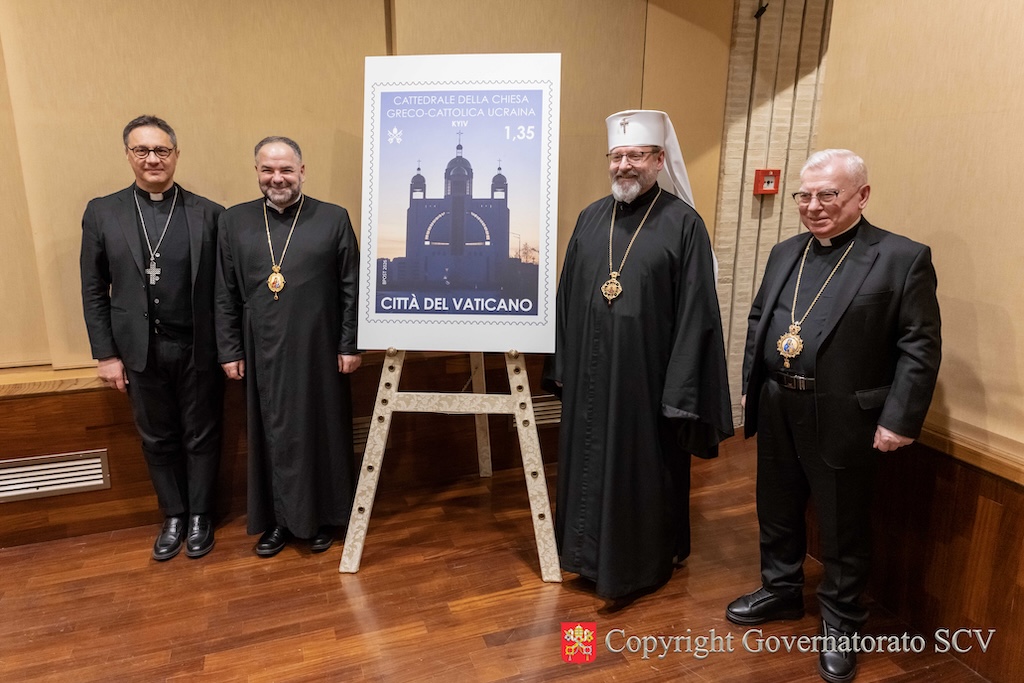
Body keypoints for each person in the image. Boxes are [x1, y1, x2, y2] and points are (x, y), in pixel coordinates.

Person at [726, 149, 941, 683]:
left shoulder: (900, 257)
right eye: (805, 195)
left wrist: (900, 419)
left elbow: (919, 345)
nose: (813, 206)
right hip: (779, 401)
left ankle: (842, 623)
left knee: (843, 526)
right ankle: (779, 591)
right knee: (775, 506)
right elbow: (760, 320)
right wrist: (753, 387)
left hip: (847, 415)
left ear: (861, 195)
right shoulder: (785, 253)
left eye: (828, 195)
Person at [544, 110, 733, 602]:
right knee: (585, 464)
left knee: (641, 470)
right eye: (617, 156)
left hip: (646, 384)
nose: (624, 165)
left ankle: (641, 564)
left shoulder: (683, 224)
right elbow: (567, 299)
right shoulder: (589, 218)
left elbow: (698, 313)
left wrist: (680, 391)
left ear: (658, 160)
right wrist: (563, 367)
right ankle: (584, 557)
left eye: (636, 156)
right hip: (588, 378)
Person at [80, 115, 224, 561]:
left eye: (161, 150)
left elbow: (223, 292)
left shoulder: (210, 214)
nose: (152, 159)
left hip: (197, 348)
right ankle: (174, 515)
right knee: (156, 438)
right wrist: (105, 354)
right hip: (137, 351)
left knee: (202, 435)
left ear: (176, 155)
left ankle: (201, 515)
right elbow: (92, 288)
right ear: (128, 155)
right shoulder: (103, 211)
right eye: (142, 150)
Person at [215, 136, 361, 557]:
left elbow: (351, 287)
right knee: (271, 434)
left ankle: (323, 518)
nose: (276, 178)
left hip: (320, 350)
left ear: (302, 171)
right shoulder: (234, 221)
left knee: (322, 431)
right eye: (267, 169)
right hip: (260, 350)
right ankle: (278, 521)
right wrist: (229, 350)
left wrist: (349, 344)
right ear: (257, 172)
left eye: (285, 169)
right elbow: (224, 291)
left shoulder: (333, 218)